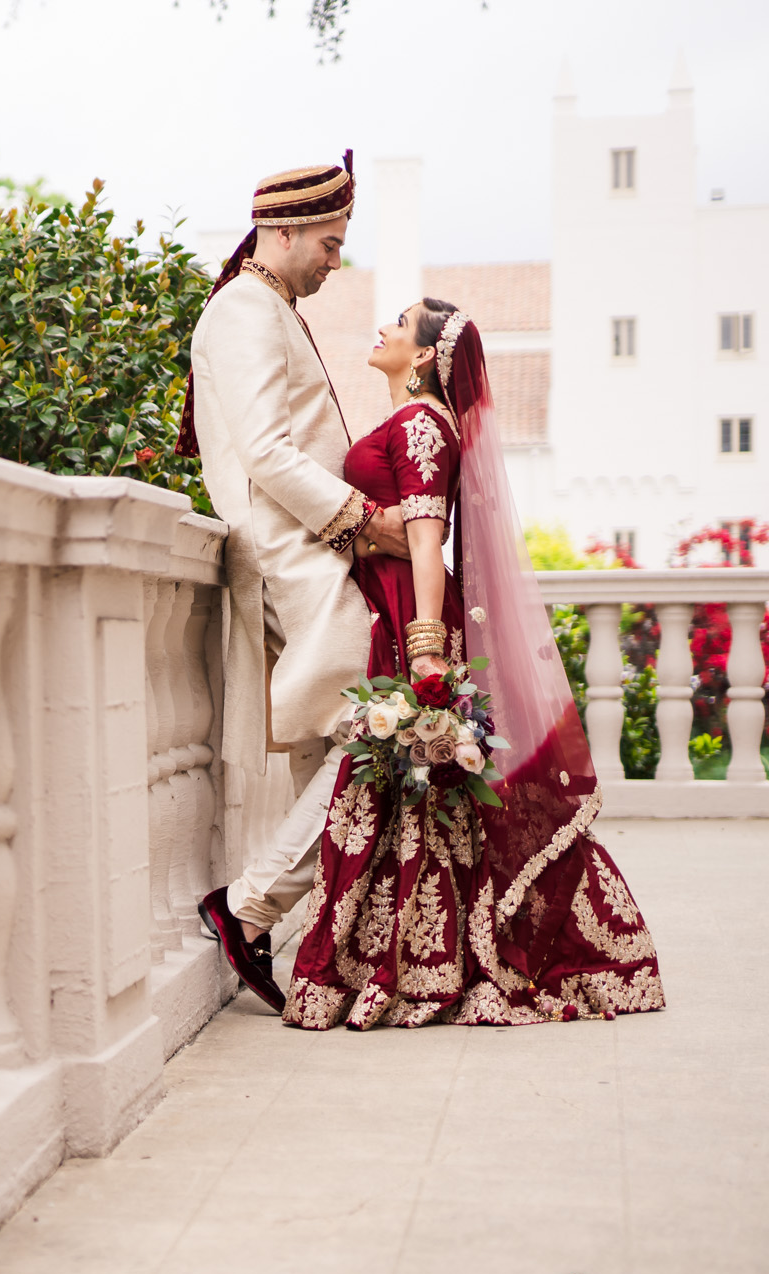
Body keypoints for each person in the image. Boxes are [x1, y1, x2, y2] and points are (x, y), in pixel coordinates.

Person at [282, 301, 666, 1029]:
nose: (385, 327)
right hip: (393, 605)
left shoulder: (422, 425)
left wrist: (425, 647)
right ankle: (410, 962)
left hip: (410, 616)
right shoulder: (418, 421)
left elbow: (427, 542)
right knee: (417, 801)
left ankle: (425, 968)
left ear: (425, 356)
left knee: (421, 795)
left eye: (400, 322)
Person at [178, 153, 413, 1011]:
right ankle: (245, 909)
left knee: (334, 748)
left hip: (308, 556)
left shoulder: (264, 305)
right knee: (381, 737)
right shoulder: (245, 310)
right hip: (296, 557)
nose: (335, 260)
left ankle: (312, 941)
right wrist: (364, 521)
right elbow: (270, 453)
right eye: (329, 241)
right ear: (282, 230)